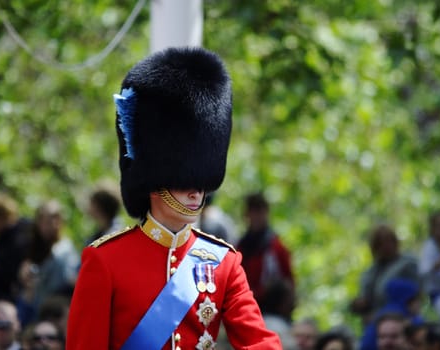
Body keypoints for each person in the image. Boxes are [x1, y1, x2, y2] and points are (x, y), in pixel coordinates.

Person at [66, 47, 281, 349]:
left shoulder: (224, 264)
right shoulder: (105, 261)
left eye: (201, 182)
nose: (197, 191)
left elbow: (259, 343)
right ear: (155, 180)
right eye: (184, 181)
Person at [17, 200, 79, 326]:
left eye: (55, 220)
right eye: (46, 221)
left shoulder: (65, 250)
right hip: (32, 305)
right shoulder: (31, 247)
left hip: (56, 310)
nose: (51, 225)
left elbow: (71, 281)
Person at [350, 224, 419, 326]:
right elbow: (365, 299)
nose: (386, 246)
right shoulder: (371, 272)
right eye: (380, 244)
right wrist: (359, 304)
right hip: (374, 320)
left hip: (401, 316)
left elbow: (417, 293)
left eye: (389, 241)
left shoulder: (407, 263)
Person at [237, 192, 294, 306]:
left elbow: (289, 282)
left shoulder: (277, 248)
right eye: (253, 212)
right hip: (247, 305)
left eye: (260, 211)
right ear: (247, 215)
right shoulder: (240, 248)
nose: (256, 216)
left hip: (272, 308)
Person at [359, 278, 424, 350]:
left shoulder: (379, 316)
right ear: (409, 299)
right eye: (418, 299)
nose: (420, 304)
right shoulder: (412, 320)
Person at [418, 210, 440, 326]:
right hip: (437, 293)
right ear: (433, 229)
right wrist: (438, 263)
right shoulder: (429, 247)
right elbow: (423, 271)